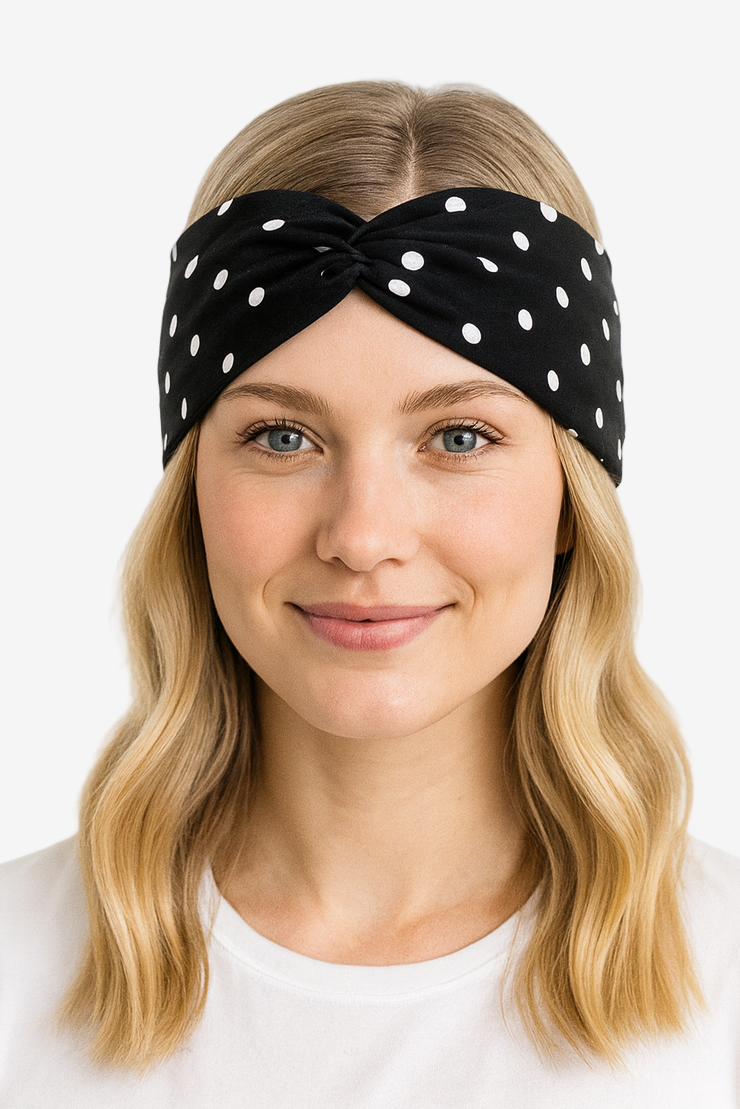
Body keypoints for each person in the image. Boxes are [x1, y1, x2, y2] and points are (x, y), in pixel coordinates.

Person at [1, 80, 738, 1108]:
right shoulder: (16, 972)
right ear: (192, 490)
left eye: (458, 438)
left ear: (570, 497)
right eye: (281, 436)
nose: (361, 536)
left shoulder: (723, 988)